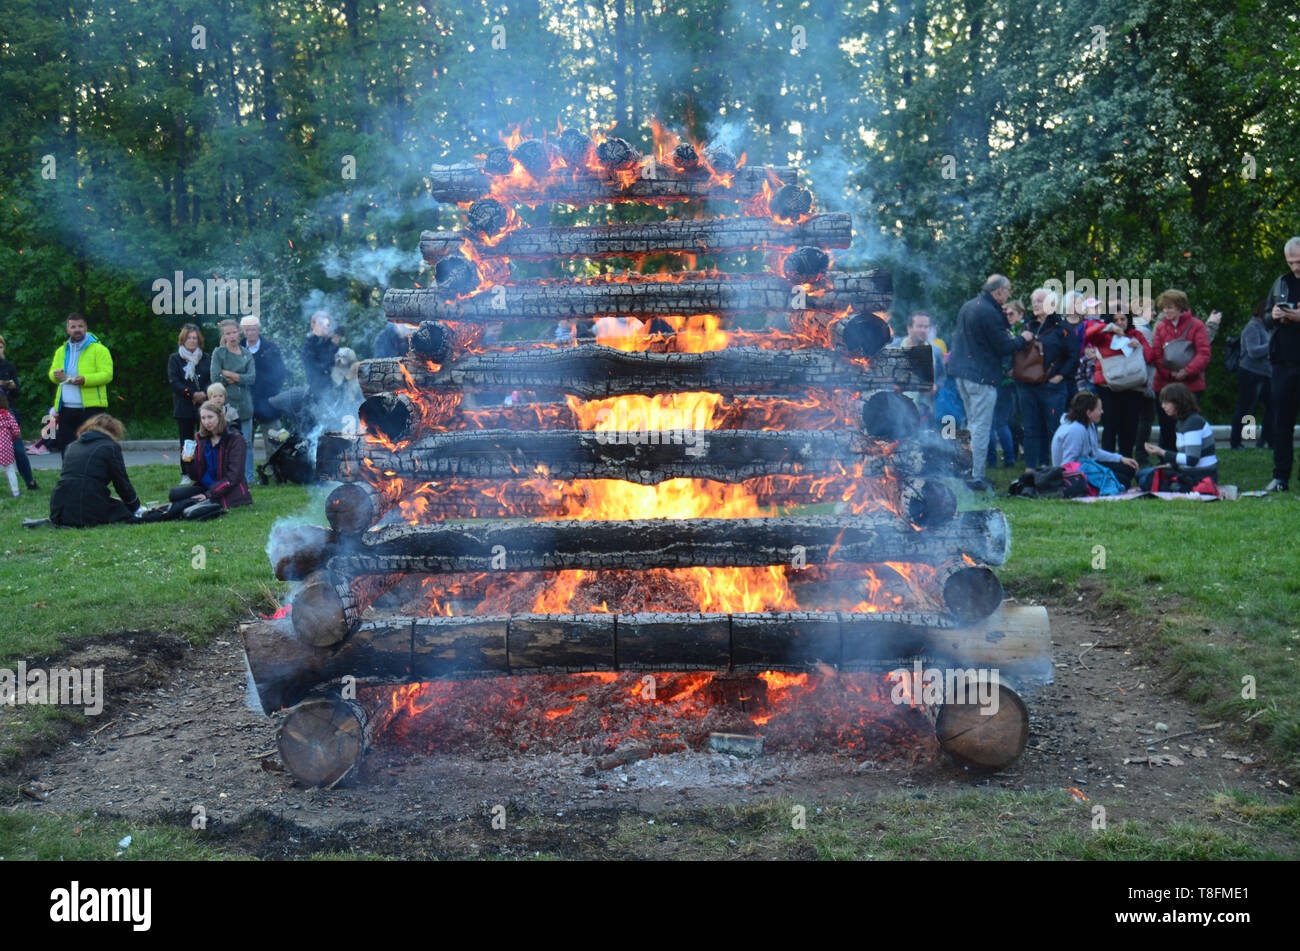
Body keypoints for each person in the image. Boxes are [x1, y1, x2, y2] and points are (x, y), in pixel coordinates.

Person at [947, 275, 1033, 490]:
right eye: (1008, 290)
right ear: (999, 291)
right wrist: (1024, 339)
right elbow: (1003, 345)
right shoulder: (988, 311)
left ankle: (966, 470)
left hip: (962, 374)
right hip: (982, 376)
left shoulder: (970, 306)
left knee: (971, 424)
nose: (1010, 295)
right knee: (980, 427)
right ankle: (976, 476)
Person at [155, 401, 252, 520]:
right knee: (174, 494)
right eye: (203, 418)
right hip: (205, 486)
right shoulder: (202, 439)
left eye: (210, 417)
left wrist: (208, 495)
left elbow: (234, 476)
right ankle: (173, 508)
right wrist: (189, 461)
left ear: (220, 417)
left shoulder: (235, 439)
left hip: (226, 489)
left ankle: (156, 515)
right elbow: (196, 476)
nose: (207, 422)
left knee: (185, 506)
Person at [1085, 304, 1156, 461]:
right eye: (1115, 320)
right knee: (1110, 427)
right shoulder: (1103, 335)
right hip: (1107, 386)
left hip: (1133, 386)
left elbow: (1151, 357)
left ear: (1128, 320)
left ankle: (1127, 463)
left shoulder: (1136, 334)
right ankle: (1109, 464)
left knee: (1129, 428)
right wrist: (1107, 327)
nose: (1120, 323)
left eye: (1123, 319)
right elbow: (1087, 335)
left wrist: (1140, 347)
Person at [1017, 289, 1077, 470]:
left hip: (1052, 387)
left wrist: (1061, 376)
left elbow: (1074, 355)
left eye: (1040, 300)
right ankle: (1030, 468)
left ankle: (1055, 466)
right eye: (1033, 301)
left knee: (1053, 429)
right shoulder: (1027, 327)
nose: (1035, 304)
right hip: (1027, 385)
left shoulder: (1062, 328)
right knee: (1030, 428)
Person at [49, 414, 143, 526]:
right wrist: (136, 506)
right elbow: (121, 482)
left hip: (60, 507)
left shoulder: (72, 446)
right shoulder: (110, 446)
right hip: (87, 505)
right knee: (122, 510)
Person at [1151, 289, 1212, 452]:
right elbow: (1157, 354)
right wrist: (1169, 373)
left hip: (1191, 385)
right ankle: (1167, 461)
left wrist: (1187, 371)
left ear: (1180, 307)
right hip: (1165, 384)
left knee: (1189, 423)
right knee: (1167, 427)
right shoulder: (1160, 327)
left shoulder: (1196, 325)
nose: (1166, 311)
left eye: (1170, 307)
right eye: (1164, 308)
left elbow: (1204, 353)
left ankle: (1189, 457)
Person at [1262, 236, 1300, 492]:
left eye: (1299, 261)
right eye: (1291, 262)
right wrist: (1274, 315)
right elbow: (1265, 316)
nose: (1295, 267)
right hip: (1283, 364)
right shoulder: (1281, 283)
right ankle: (1281, 477)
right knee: (1281, 423)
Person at [47, 313, 113, 456]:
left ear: (86, 328)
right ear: (67, 330)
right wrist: (55, 375)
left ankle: (91, 477)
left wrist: (84, 380)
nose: (77, 329)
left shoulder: (99, 349)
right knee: (67, 448)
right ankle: (69, 477)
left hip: (91, 408)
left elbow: (107, 375)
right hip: (65, 408)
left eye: (80, 326)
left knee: (91, 448)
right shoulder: (61, 351)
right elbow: (52, 374)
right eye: (73, 327)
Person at [1051, 391, 1139, 488]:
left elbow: (1094, 453)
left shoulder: (1089, 424)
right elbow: (1068, 465)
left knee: (1128, 469)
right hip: (1076, 472)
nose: (1102, 412)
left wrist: (1121, 459)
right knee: (1124, 480)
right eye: (1099, 409)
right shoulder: (1075, 430)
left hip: (1087, 465)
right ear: (1088, 413)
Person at [1141, 383, 1218, 491]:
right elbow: (1185, 456)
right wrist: (1171, 465)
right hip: (1188, 472)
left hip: (1201, 475)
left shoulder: (1193, 422)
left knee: (1146, 479)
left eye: (1167, 402)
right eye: (1162, 402)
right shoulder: (1181, 422)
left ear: (1179, 402)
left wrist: (1162, 452)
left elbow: (1192, 460)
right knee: (1143, 474)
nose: (1163, 406)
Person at [209, 318, 257, 486]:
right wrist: (235, 378)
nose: (232, 336)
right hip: (226, 405)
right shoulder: (219, 353)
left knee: (247, 443)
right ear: (224, 335)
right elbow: (215, 378)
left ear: (239, 332)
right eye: (228, 333)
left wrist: (230, 374)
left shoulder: (246, 353)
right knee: (225, 442)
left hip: (245, 404)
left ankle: (249, 478)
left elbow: (251, 378)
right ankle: (226, 477)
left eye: (234, 332)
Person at [167, 323, 210, 485]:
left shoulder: (206, 358)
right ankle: (186, 472)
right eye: (189, 338)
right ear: (182, 340)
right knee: (186, 442)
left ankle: (206, 470)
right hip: (184, 406)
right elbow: (174, 382)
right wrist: (191, 394)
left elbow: (212, 378)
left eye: (195, 338)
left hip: (204, 406)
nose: (192, 341)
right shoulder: (175, 359)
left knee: (205, 439)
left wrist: (204, 393)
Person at [1231, 299, 1273, 450]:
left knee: (1273, 406)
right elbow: (1253, 351)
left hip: (1265, 373)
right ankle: (1235, 442)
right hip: (1250, 373)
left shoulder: (1267, 328)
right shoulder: (1252, 327)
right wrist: (1272, 345)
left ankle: (1266, 440)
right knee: (1245, 407)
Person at [889, 311, 946, 424]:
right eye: (919, 326)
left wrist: (936, 387)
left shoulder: (935, 352)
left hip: (923, 412)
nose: (923, 330)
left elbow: (942, 377)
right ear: (909, 328)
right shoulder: (894, 348)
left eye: (926, 327)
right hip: (896, 411)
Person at [0, 333, 39, 489]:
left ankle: (29, 480)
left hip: (8, 412)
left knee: (18, 449)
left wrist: (12, 386)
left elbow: (18, 392)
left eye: (1, 346)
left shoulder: (9, 366)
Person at [241, 315, 287, 425]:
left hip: (267, 400)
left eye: (253, 329)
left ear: (259, 330)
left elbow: (280, 373)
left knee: (274, 438)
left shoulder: (271, 348)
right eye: (247, 330)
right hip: (244, 401)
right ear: (243, 331)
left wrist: (272, 393)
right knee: (243, 440)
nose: (250, 333)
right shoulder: (237, 349)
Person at [0, 392, 22, 497]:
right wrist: (12, 438)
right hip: (6, 447)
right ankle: (16, 491)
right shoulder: (8, 416)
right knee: (10, 469)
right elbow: (16, 431)